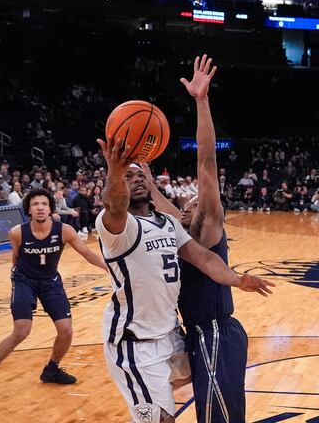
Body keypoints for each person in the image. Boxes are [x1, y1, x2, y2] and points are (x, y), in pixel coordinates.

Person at [97, 58, 274, 423]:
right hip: (178, 336)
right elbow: (136, 203)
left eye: (195, 202)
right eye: (187, 202)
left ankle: (145, 399)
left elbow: (206, 163)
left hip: (211, 331)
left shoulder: (205, 225)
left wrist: (201, 101)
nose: (191, 202)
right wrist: (130, 171)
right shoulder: (168, 224)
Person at [0, 189, 108, 404]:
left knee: (66, 330)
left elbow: (87, 253)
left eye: (44, 203)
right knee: (21, 331)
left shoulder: (65, 230)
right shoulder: (17, 232)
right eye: (35, 204)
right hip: (24, 280)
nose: (40, 207)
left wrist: (109, 269)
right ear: (29, 209)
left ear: (50, 208)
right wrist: (16, 281)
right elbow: (15, 257)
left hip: (50, 281)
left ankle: (51, 369)